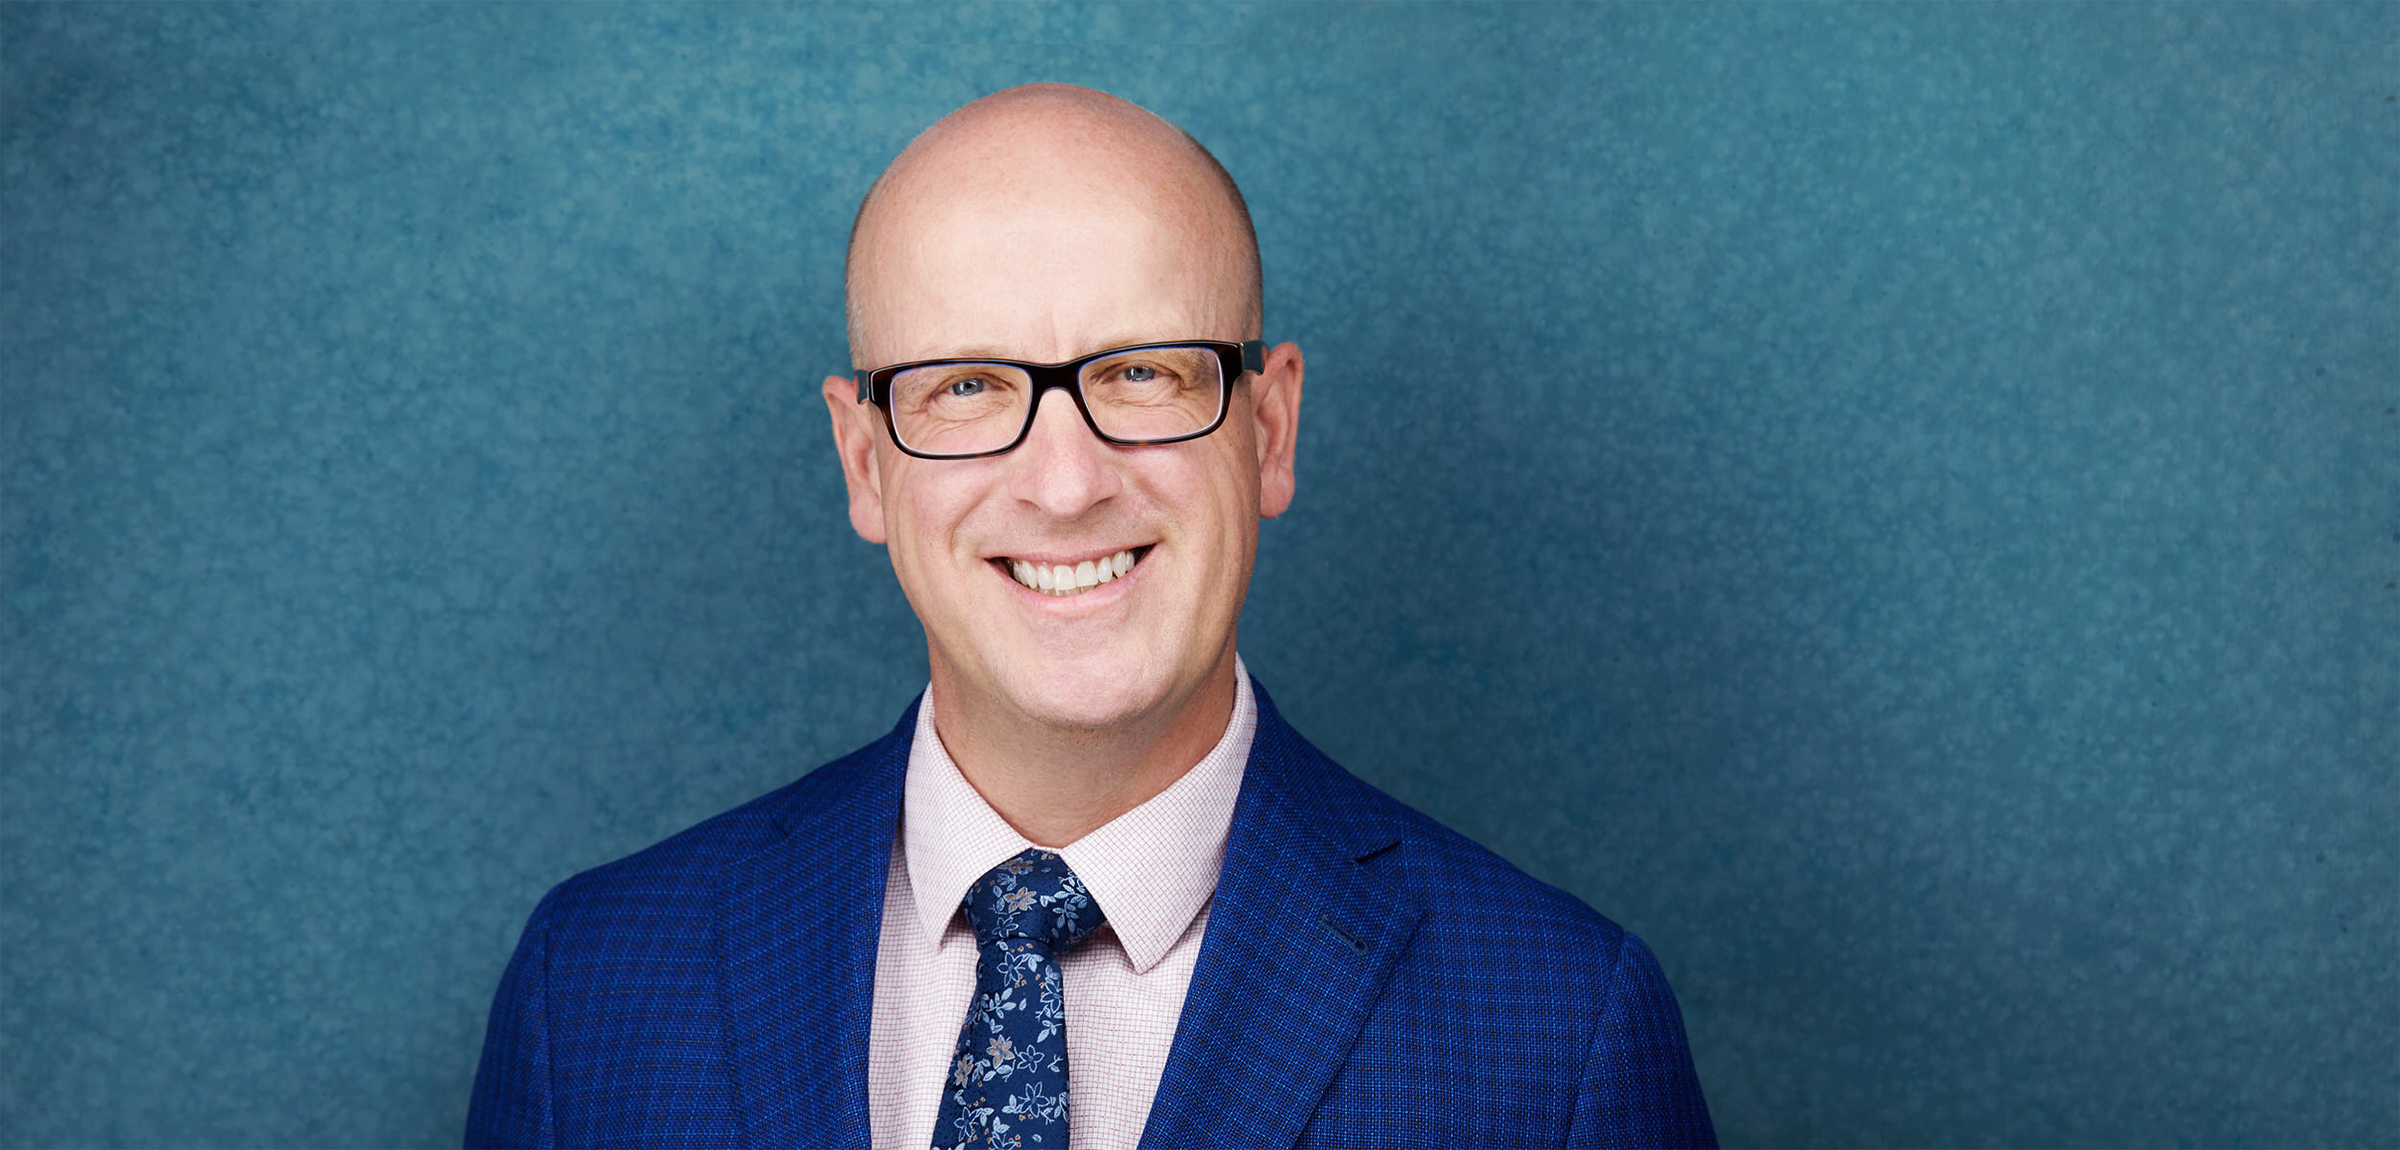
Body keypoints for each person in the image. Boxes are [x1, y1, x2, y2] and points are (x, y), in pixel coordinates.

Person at [466, 83, 1715, 1150]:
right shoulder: (593, 990)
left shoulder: (1559, 1031)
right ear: (864, 462)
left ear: (1269, 429)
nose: (1066, 483)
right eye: (964, 385)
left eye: (1141, 373)